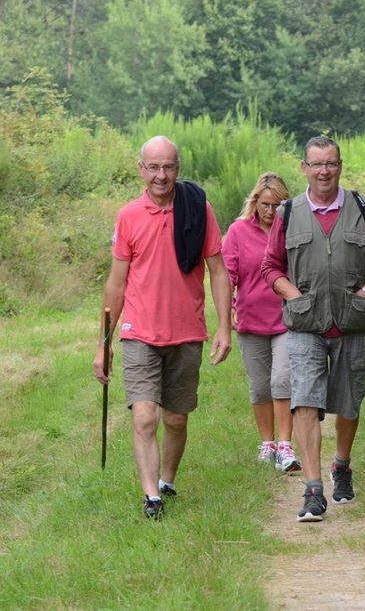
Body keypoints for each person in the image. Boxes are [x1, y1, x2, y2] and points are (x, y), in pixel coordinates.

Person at [92, 135, 232, 519]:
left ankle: (167, 480)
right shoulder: (129, 216)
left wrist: (225, 327)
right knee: (144, 416)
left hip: (186, 331)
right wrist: (104, 343)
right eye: (153, 167)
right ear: (141, 169)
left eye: (168, 166)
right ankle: (151, 496)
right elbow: (116, 283)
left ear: (178, 169)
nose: (160, 175)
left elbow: (218, 271)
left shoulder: (197, 209)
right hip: (140, 333)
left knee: (176, 418)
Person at [261, 136, 365, 522]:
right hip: (305, 325)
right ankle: (313, 489)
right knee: (305, 399)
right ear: (303, 167)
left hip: (352, 323)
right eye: (316, 164)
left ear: (340, 166)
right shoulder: (288, 213)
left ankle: (342, 464)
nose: (324, 171)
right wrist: (291, 294)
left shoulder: (361, 207)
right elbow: (271, 266)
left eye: (331, 163)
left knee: (350, 403)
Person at [223, 172, 300, 471]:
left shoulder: (293, 231)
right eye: (265, 204)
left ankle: (285, 445)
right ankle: (266, 442)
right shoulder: (238, 231)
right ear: (255, 202)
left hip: (285, 319)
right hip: (250, 320)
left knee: (281, 380)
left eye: (277, 205)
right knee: (259, 386)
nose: (270, 211)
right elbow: (227, 273)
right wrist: (228, 307)